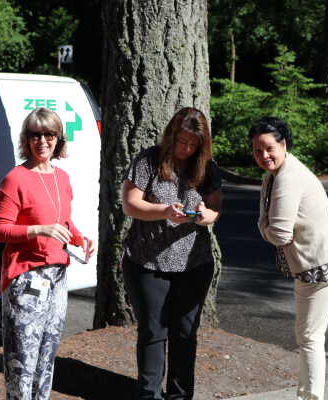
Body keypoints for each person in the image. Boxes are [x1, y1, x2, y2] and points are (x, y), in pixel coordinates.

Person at [248, 116, 328, 400]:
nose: (263, 156)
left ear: (284, 145)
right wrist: (266, 224)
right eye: (257, 150)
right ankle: (307, 395)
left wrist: (262, 226)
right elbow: (270, 221)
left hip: (322, 266)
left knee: (310, 337)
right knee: (308, 335)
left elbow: (279, 233)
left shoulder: (288, 178)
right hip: (314, 265)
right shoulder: (275, 174)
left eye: (269, 148)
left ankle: (311, 397)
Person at [0, 107, 97, 400]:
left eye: (49, 135)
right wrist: (38, 230)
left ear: (58, 140)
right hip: (26, 277)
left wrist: (79, 238)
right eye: (35, 135)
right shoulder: (16, 178)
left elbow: (62, 221)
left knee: (47, 353)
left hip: (57, 276)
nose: (42, 141)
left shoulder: (60, 177)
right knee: (23, 358)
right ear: (26, 139)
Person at [122, 107, 222, 400]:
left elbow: (215, 208)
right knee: (153, 332)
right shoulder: (148, 160)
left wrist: (207, 215)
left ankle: (180, 396)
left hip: (194, 264)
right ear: (171, 136)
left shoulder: (206, 167)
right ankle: (149, 394)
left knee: (185, 333)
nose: (186, 149)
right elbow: (130, 204)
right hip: (148, 262)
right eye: (182, 142)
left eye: (193, 144)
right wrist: (164, 211)